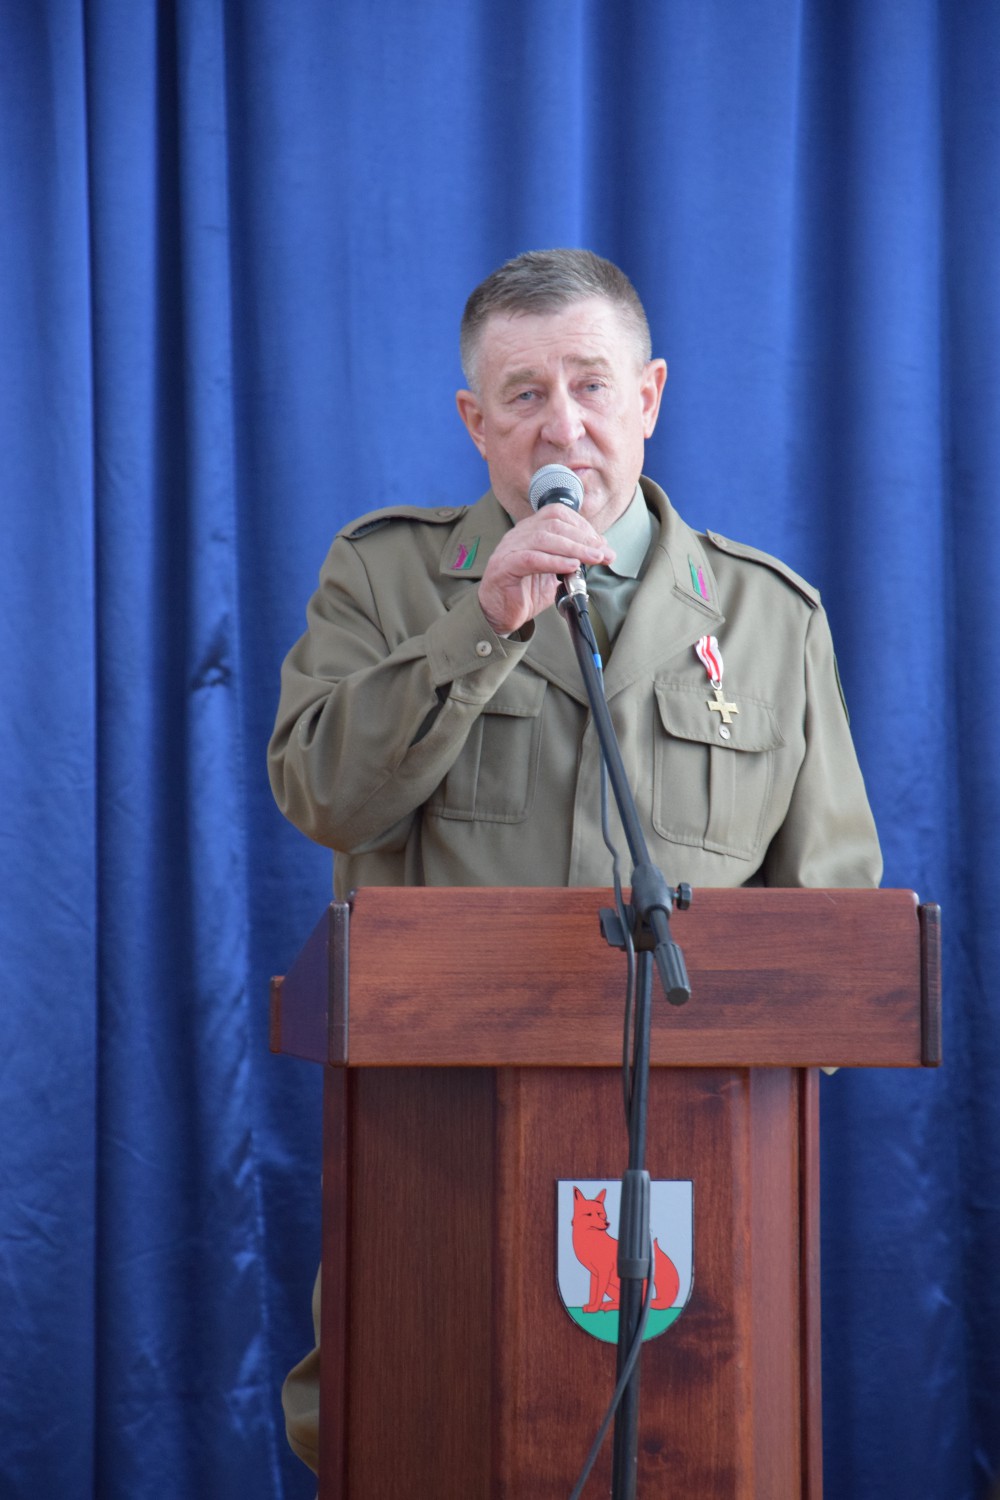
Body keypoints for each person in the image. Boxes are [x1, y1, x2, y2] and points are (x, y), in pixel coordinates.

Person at [267, 248, 882, 1473]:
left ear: (648, 397)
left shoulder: (770, 618)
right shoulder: (383, 578)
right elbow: (322, 794)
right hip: (437, 1170)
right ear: (474, 421)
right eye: (524, 394)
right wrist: (479, 622)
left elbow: (830, 943)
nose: (563, 425)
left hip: (697, 1190)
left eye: (593, 386)